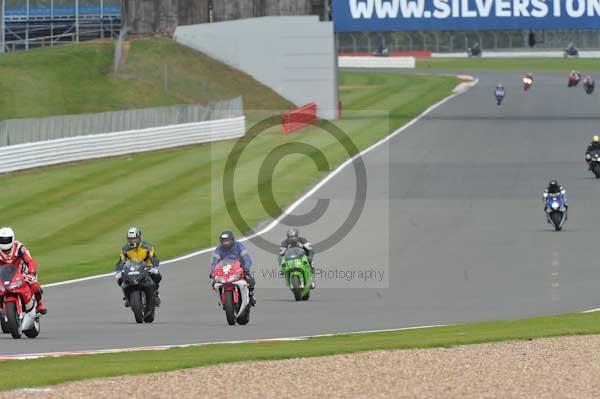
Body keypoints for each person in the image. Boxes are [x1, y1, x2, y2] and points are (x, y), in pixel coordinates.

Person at [0, 227, 47, 314]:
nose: (5, 242)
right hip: (3, 277)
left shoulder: (19, 247)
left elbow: (30, 261)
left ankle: (40, 303)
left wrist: (31, 272)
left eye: (7, 240)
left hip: (21, 273)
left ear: (12, 238)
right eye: (2, 240)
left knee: (34, 284)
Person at [114, 227, 162, 307]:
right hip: (131, 269)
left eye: (134, 238)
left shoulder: (147, 247)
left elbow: (154, 258)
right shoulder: (125, 249)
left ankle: (155, 293)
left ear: (139, 238)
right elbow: (120, 261)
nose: (132, 241)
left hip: (146, 268)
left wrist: (155, 268)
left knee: (157, 276)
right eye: (130, 239)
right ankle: (127, 297)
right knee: (120, 280)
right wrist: (118, 271)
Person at [210, 230, 255, 306]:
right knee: (214, 282)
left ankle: (250, 294)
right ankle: (221, 297)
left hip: (239, 268)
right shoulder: (218, 249)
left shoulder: (239, 246)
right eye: (224, 241)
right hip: (225, 270)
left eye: (227, 241)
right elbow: (214, 262)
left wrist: (246, 268)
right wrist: (213, 272)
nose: (225, 243)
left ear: (232, 240)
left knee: (250, 279)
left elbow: (247, 259)